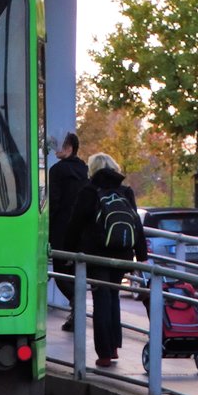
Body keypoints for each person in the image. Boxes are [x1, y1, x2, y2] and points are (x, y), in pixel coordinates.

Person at [64, 152, 148, 367]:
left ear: (93, 169)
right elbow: (136, 225)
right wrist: (142, 257)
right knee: (113, 296)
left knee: (101, 300)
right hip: (122, 253)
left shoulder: (89, 191)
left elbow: (75, 224)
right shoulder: (125, 190)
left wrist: (67, 253)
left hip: (96, 254)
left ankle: (104, 353)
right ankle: (114, 347)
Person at [48, 132, 88, 331]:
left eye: (60, 146)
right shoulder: (84, 169)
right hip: (80, 231)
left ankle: (76, 304)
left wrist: (46, 227)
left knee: (60, 272)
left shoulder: (56, 171)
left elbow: (54, 202)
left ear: (70, 147)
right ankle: (76, 310)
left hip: (61, 229)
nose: (56, 149)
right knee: (74, 272)